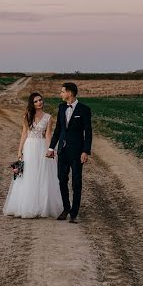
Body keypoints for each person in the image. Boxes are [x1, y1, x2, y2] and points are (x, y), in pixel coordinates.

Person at [2, 92, 62, 218]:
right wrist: (19, 151)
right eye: (36, 101)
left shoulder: (48, 117)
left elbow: (48, 135)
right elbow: (24, 133)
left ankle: (42, 206)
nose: (39, 102)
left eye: (40, 100)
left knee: (43, 175)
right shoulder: (27, 116)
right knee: (28, 174)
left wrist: (50, 149)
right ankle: (26, 205)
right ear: (32, 104)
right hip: (29, 147)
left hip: (41, 147)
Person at [46, 82, 92, 223]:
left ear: (70, 93)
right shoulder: (61, 108)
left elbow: (88, 132)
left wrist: (85, 151)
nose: (60, 94)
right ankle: (66, 208)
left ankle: (74, 213)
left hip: (77, 152)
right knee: (61, 180)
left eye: (62, 92)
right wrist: (51, 148)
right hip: (62, 151)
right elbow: (58, 130)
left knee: (76, 182)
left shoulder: (84, 109)